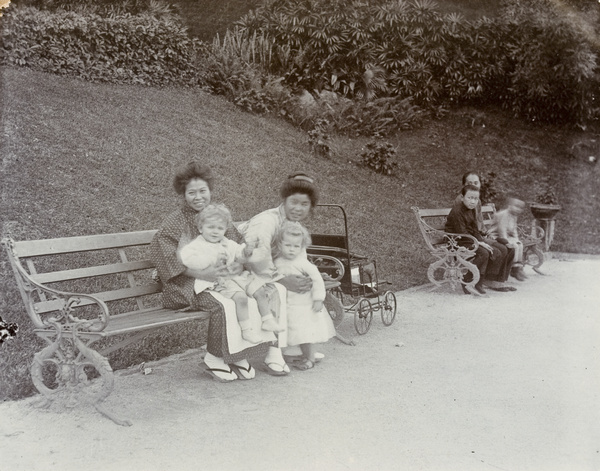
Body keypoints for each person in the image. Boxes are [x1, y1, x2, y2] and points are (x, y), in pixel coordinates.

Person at [149, 161, 280, 382]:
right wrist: (204, 274)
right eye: (192, 192)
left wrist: (238, 265)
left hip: (223, 280)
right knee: (224, 305)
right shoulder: (174, 223)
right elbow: (167, 259)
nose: (198, 197)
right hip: (186, 284)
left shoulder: (218, 217)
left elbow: (237, 248)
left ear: (210, 191)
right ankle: (215, 357)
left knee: (253, 295)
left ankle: (239, 353)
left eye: (203, 191)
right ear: (183, 193)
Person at [237, 172, 324, 374]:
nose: (298, 208)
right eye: (294, 202)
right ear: (284, 200)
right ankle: (274, 355)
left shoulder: (293, 224)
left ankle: (301, 341)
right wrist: (283, 280)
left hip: (267, 272)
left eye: (305, 204)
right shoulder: (267, 221)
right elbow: (256, 259)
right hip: (242, 272)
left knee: (305, 287)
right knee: (276, 289)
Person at [179, 203, 284, 344]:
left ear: (225, 229)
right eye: (210, 227)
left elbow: (238, 254)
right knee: (241, 298)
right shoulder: (197, 246)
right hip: (221, 280)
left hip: (236, 277)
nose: (215, 232)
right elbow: (187, 259)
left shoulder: (226, 242)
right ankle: (246, 330)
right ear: (200, 228)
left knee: (259, 289)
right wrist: (210, 259)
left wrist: (246, 251)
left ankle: (267, 320)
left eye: (220, 228)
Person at [272, 221, 336, 370]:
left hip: (303, 306)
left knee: (305, 333)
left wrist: (318, 299)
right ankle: (286, 355)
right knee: (288, 330)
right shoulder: (277, 261)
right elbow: (273, 276)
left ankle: (309, 358)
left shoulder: (303, 263)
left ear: (302, 247)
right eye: (288, 245)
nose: (292, 250)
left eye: (296, 246)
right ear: (279, 245)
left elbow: (317, 280)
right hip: (286, 305)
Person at [446, 184, 516, 295]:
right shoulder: (457, 212)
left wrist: (482, 241)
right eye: (469, 198)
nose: (473, 201)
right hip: (456, 241)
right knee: (484, 252)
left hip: (469, 238)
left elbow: (474, 230)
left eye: (475, 198)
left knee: (498, 249)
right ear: (462, 197)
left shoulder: (472, 209)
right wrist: (480, 244)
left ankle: (480, 281)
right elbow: (462, 233)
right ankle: (469, 280)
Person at [489, 196, 528, 281]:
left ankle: (518, 268)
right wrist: (507, 241)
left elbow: (514, 229)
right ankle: (514, 269)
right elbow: (501, 230)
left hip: (506, 235)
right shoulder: (504, 214)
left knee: (519, 244)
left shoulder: (514, 216)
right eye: (516, 206)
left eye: (520, 208)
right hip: (495, 235)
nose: (518, 209)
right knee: (514, 245)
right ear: (509, 205)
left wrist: (517, 239)